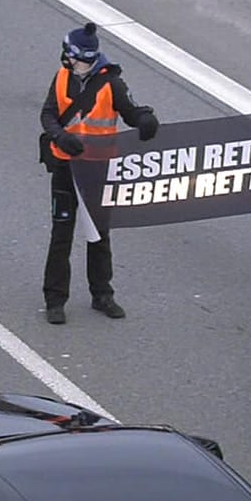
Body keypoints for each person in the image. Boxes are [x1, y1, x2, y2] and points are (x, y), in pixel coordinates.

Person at [39, 22, 158, 324]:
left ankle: (102, 294)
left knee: (99, 236)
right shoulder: (62, 77)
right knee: (61, 235)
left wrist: (146, 120)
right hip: (66, 169)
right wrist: (59, 136)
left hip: (97, 171)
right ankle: (55, 300)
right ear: (68, 56)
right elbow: (49, 114)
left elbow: (132, 112)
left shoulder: (112, 84)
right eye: (80, 59)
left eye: (88, 61)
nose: (83, 65)